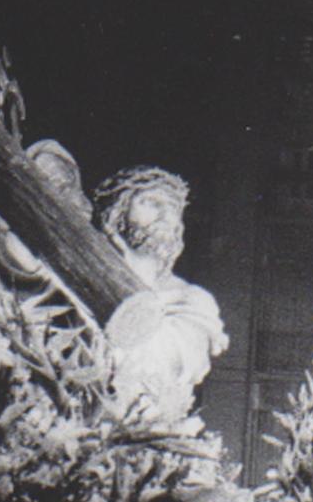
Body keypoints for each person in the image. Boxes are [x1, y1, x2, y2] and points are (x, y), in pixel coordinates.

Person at [91, 165, 229, 422]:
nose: (165, 214)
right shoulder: (84, 278)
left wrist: (139, 279)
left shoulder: (194, 301)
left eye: (173, 209)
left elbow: (161, 371)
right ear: (118, 212)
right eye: (151, 202)